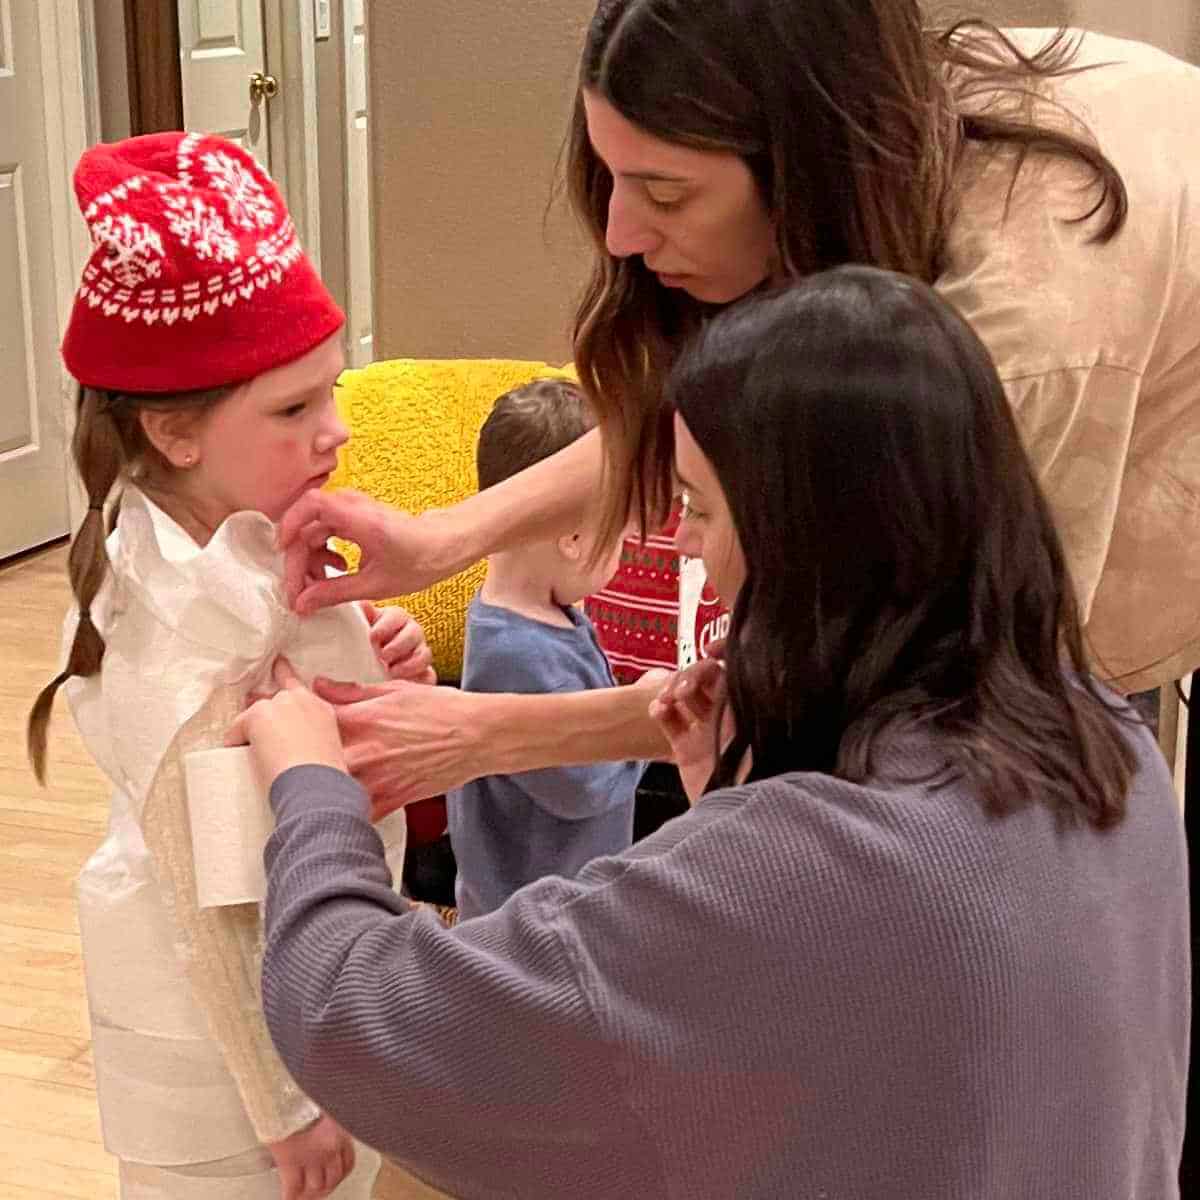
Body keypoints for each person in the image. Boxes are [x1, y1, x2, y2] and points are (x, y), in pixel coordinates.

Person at [233, 270, 1188, 1198]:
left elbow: (351, 1017)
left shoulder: (804, 868)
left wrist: (313, 794)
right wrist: (733, 809)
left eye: (697, 508)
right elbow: (872, 1059)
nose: (683, 543)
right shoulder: (1108, 742)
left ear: (800, 540)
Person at [277, 4, 1200, 811]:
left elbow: (915, 688)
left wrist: (485, 735)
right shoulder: (879, 111)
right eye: (614, 179)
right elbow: (714, 434)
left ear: (806, 168)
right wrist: (446, 538)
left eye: (666, 193)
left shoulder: (1026, 337)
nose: (622, 235)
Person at [27, 133, 433, 1200]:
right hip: (230, 1070)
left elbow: (314, 744)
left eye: (330, 393)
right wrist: (283, 1104)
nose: (337, 433)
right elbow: (210, 904)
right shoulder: (174, 621)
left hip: (318, 986)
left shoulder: (248, 537)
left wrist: (384, 670)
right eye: (295, 408)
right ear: (173, 431)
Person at [448, 378, 644, 919]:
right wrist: (645, 719)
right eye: (621, 532)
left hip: (561, 903)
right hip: (530, 924)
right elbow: (583, 786)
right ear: (573, 538)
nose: (625, 546)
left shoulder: (543, 616)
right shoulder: (515, 651)